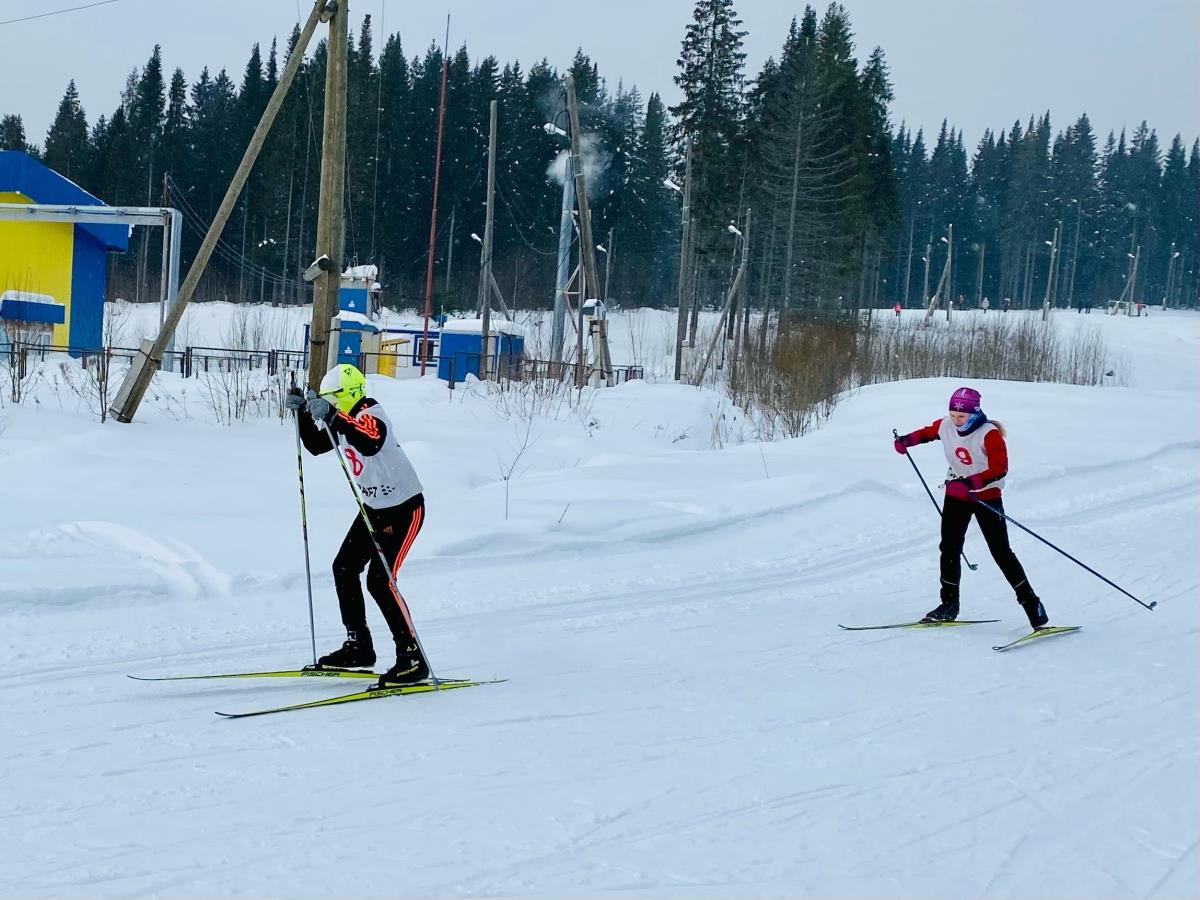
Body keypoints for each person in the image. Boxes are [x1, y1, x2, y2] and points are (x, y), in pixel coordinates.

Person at [285, 364, 430, 685]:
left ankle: (412, 658)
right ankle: (359, 646)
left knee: (380, 582)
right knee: (344, 568)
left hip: (404, 509)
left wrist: (333, 415)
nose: (331, 405)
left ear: (347, 395)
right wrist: (303, 415)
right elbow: (316, 445)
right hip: (374, 508)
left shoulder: (370, 412)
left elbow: (370, 442)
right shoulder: (345, 418)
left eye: (332, 399)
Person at [893, 387, 1049, 629]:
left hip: (986, 496)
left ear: (974, 414)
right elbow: (927, 433)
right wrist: (906, 441)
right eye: (953, 414)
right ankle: (949, 605)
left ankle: (1033, 607)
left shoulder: (989, 434)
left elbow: (1000, 468)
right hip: (956, 494)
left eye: (961, 416)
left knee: (1001, 552)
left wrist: (972, 483)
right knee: (949, 548)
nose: (956, 420)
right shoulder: (946, 424)